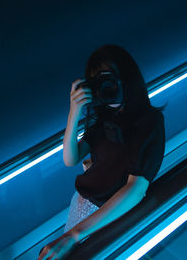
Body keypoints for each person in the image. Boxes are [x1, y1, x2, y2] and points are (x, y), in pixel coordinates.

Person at [38, 44, 166, 260]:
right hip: (81, 206)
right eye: (98, 82)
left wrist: (73, 235)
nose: (105, 88)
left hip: (109, 215)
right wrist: (74, 111)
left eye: (110, 79)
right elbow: (71, 158)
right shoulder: (103, 118)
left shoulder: (149, 122)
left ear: (127, 78)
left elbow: (135, 190)